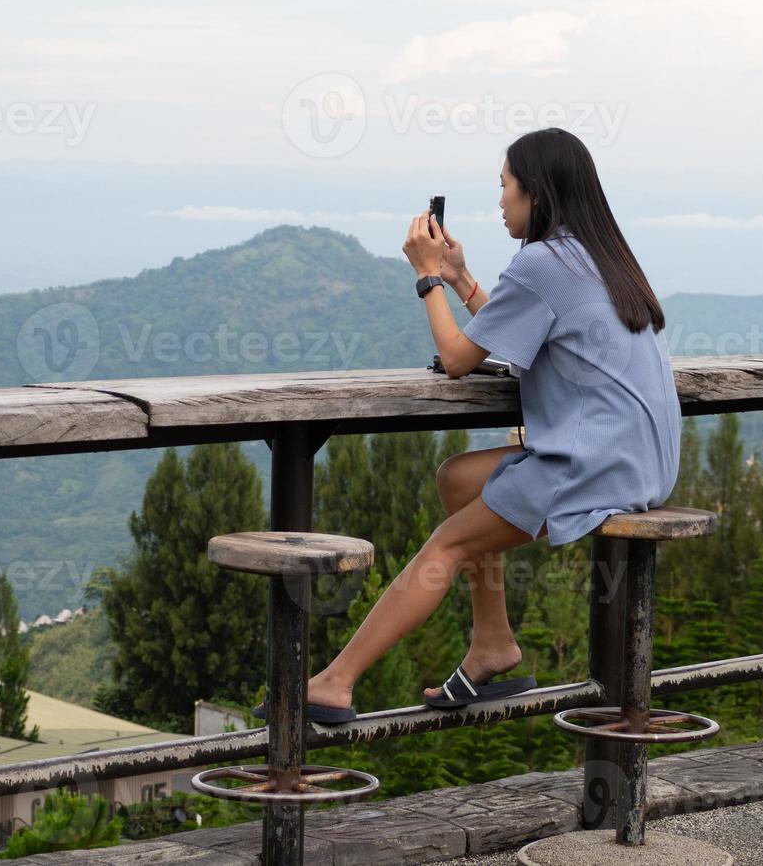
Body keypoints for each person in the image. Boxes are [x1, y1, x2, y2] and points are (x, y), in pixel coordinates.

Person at [279, 127, 682, 723]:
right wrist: (465, 280)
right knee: (460, 479)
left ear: (536, 194)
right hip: (643, 459)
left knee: (447, 543)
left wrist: (428, 278)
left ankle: (336, 682)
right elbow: (519, 325)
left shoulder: (542, 260)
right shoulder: (597, 254)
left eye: (505, 188)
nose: (500, 202)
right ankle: (492, 644)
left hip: (591, 464)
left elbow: (460, 360)